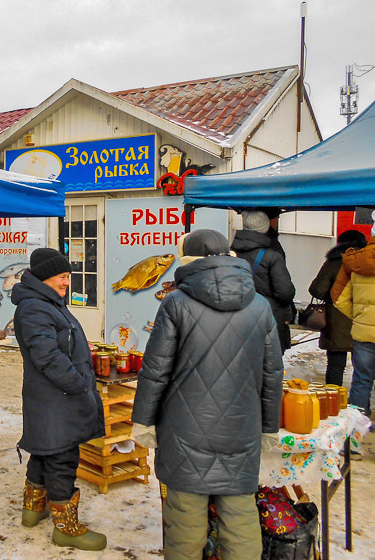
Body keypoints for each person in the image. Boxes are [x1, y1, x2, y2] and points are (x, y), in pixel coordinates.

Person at [132, 229, 282, 560]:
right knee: (240, 515)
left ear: (188, 260)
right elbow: (272, 373)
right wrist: (270, 426)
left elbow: (156, 370)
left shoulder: (176, 303)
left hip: (184, 430)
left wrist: (143, 421)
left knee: (186, 520)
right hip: (241, 430)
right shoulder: (259, 306)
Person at [11, 247, 107, 551]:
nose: (67, 282)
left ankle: (33, 510)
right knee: (63, 457)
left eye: (68, 276)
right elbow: (48, 356)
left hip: (52, 398)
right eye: (61, 277)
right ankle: (66, 528)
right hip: (57, 397)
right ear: (43, 278)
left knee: (45, 450)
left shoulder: (46, 302)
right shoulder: (35, 308)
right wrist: (79, 385)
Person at [230, 209, 296, 352]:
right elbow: (284, 292)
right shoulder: (272, 255)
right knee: (269, 363)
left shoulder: (230, 252)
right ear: (265, 228)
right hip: (268, 316)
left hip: (236, 315)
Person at [309, 230, 368, 386]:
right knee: (363, 368)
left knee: (336, 364)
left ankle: (332, 401)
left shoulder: (334, 263)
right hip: (365, 321)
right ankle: (362, 406)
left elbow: (317, 289)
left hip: (337, 321)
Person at [331, 223, 375, 416]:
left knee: (361, 381)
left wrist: (359, 316)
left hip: (363, 335)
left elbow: (339, 298)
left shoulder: (355, 260)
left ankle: (356, 429)